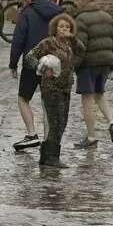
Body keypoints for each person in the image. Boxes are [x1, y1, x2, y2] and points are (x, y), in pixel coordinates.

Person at [9, 0, 63, 151]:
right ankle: (48, 140)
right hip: (54, 63)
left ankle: (32, 134)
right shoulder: (60, 12)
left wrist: (13, 63)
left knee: (23, 98)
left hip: (32, 61)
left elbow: (18, 39)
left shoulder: (27, 12)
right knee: (49, 101)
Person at [30, 13, 85, 168]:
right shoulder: (48, 43)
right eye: (61, 26)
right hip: (51, 88)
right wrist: (43, 67)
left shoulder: (70, 44)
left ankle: (45, 154)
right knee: (56, 123)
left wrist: (73, 38)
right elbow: (30, 57)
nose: (64, 29)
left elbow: (81, 51)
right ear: (55, 27)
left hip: (66, 88)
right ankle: (52, 157)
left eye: (67, 27)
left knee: (63, 122)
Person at [71, 0, 113, 149]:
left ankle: (91, 136)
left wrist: (73, 66)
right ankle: (111, 122)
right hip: (105, 62)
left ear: (86, 0)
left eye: (78, 0)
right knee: (99, 94)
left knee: (87, 100)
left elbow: (80, 47)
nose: (76, 3)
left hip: (88, 65)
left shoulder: (81, 19)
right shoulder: (107, 16)